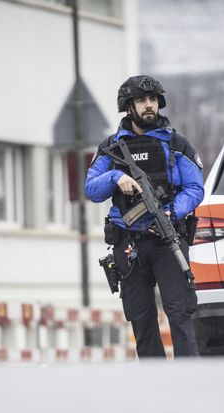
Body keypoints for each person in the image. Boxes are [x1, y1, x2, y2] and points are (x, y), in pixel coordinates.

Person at [86, 75, 204, 358]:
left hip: (168, 239)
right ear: (129, 107)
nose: (149, 105)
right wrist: (116, 177)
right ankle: (155, 383)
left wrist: (172, 211)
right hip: (129, 244)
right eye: (142, 101)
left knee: (179, 313)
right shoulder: (111, 148)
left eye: (153, 100)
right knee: (141, 318)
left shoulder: (176, 144)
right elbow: (91, 188)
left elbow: (195, 187)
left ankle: (190, 381)